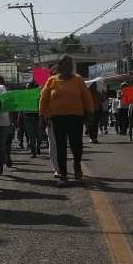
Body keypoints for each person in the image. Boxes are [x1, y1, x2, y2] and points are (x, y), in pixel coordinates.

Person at [39, 55, 94, 186]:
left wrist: (90, 114)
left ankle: (77, 165)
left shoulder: (78, 80)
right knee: (60, 147)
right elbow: (43, 100)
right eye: (67, 64)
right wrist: (42, 116)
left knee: (77, 145)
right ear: (60, 66)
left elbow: (87, 98)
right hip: (57, 119)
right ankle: (63, 175)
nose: (70, 67)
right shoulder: (51, 80)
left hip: (75, 118)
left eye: (72, 64)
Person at [0, 76, 12, 176]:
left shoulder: (2, 88)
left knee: (0, 146)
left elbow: (7, 102)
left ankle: (0, 163)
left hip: (2, 122)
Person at [22, 82, 42, 158]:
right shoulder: (24, 95)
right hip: (27, 117)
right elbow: (21, 107)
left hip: (37, 117)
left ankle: (38, 146)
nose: (27, 89)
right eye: (26, 88)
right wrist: (19, 117)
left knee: (39, 135)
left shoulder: (38, 95)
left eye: (29, 88)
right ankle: (33, 151)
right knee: (31, 135)